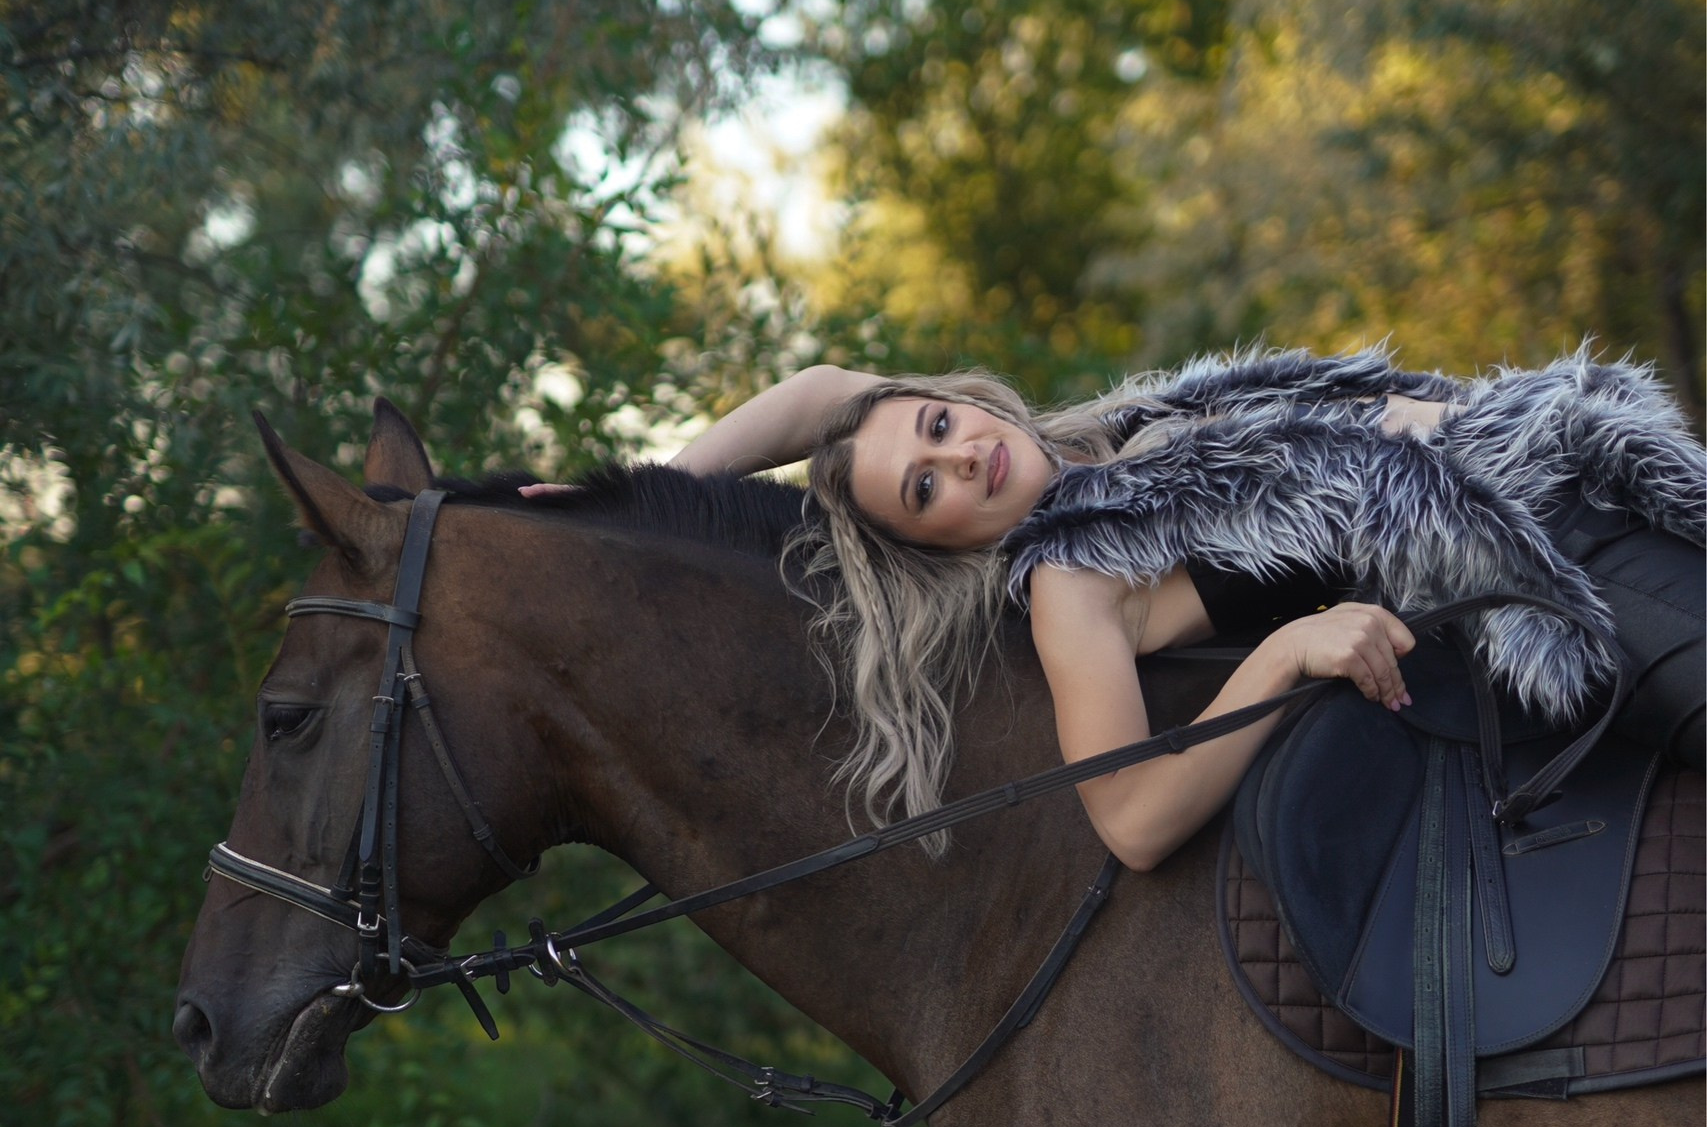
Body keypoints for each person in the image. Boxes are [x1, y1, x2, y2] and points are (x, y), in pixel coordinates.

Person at [525, 348, 1705, 872]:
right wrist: (1287, 650)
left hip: (1579, 451)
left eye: (938, 427)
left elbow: (827, 395)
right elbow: (1132, 820)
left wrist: (638, 489)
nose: (957, 461)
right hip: (1548, 567)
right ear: (929, 545)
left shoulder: (1121, 429)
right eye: (920, 492)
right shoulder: (1069, 579)